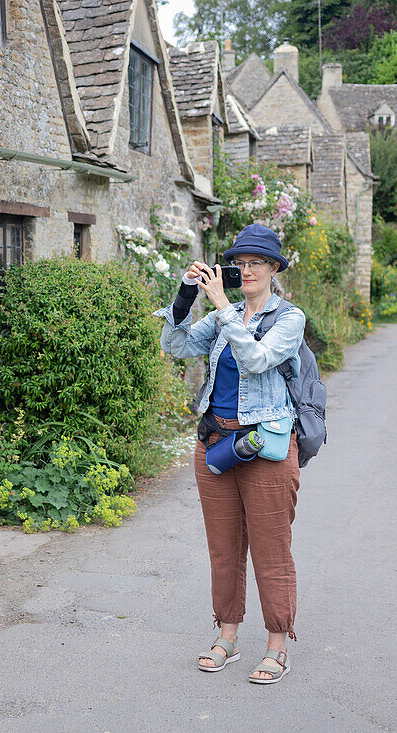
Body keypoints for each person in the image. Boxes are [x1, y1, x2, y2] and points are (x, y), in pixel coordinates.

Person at [155, 224, 305, 685]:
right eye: (240, 263)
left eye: (256, 263)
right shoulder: (226, 313)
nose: (246, 270)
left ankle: (277, 644)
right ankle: (227, 636)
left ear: (274, 268)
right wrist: (184, 298)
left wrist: (222, 307)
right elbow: (176, 345)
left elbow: (257, 359)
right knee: (224, 551)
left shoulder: (288, 318)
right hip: (216, 445)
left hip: (265, 448)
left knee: (270, 551)